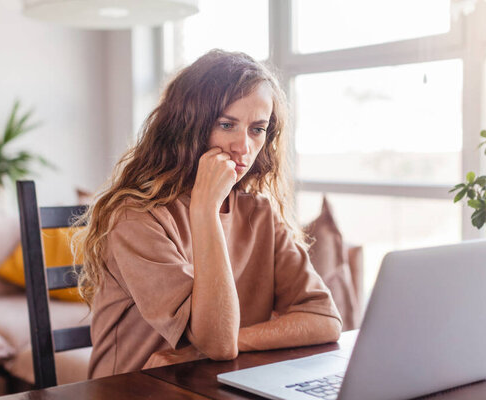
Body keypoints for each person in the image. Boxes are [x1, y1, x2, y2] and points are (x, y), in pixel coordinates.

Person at [76, 49, 342, 379]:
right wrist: (205, 209)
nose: (243, 147)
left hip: (215, 381)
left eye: (257, 129)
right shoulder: (136, 217)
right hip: (135, 389)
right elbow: (216, 344)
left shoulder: (260, 212)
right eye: (227, 124)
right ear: (187, 126)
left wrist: (226, 344)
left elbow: (325, 319)